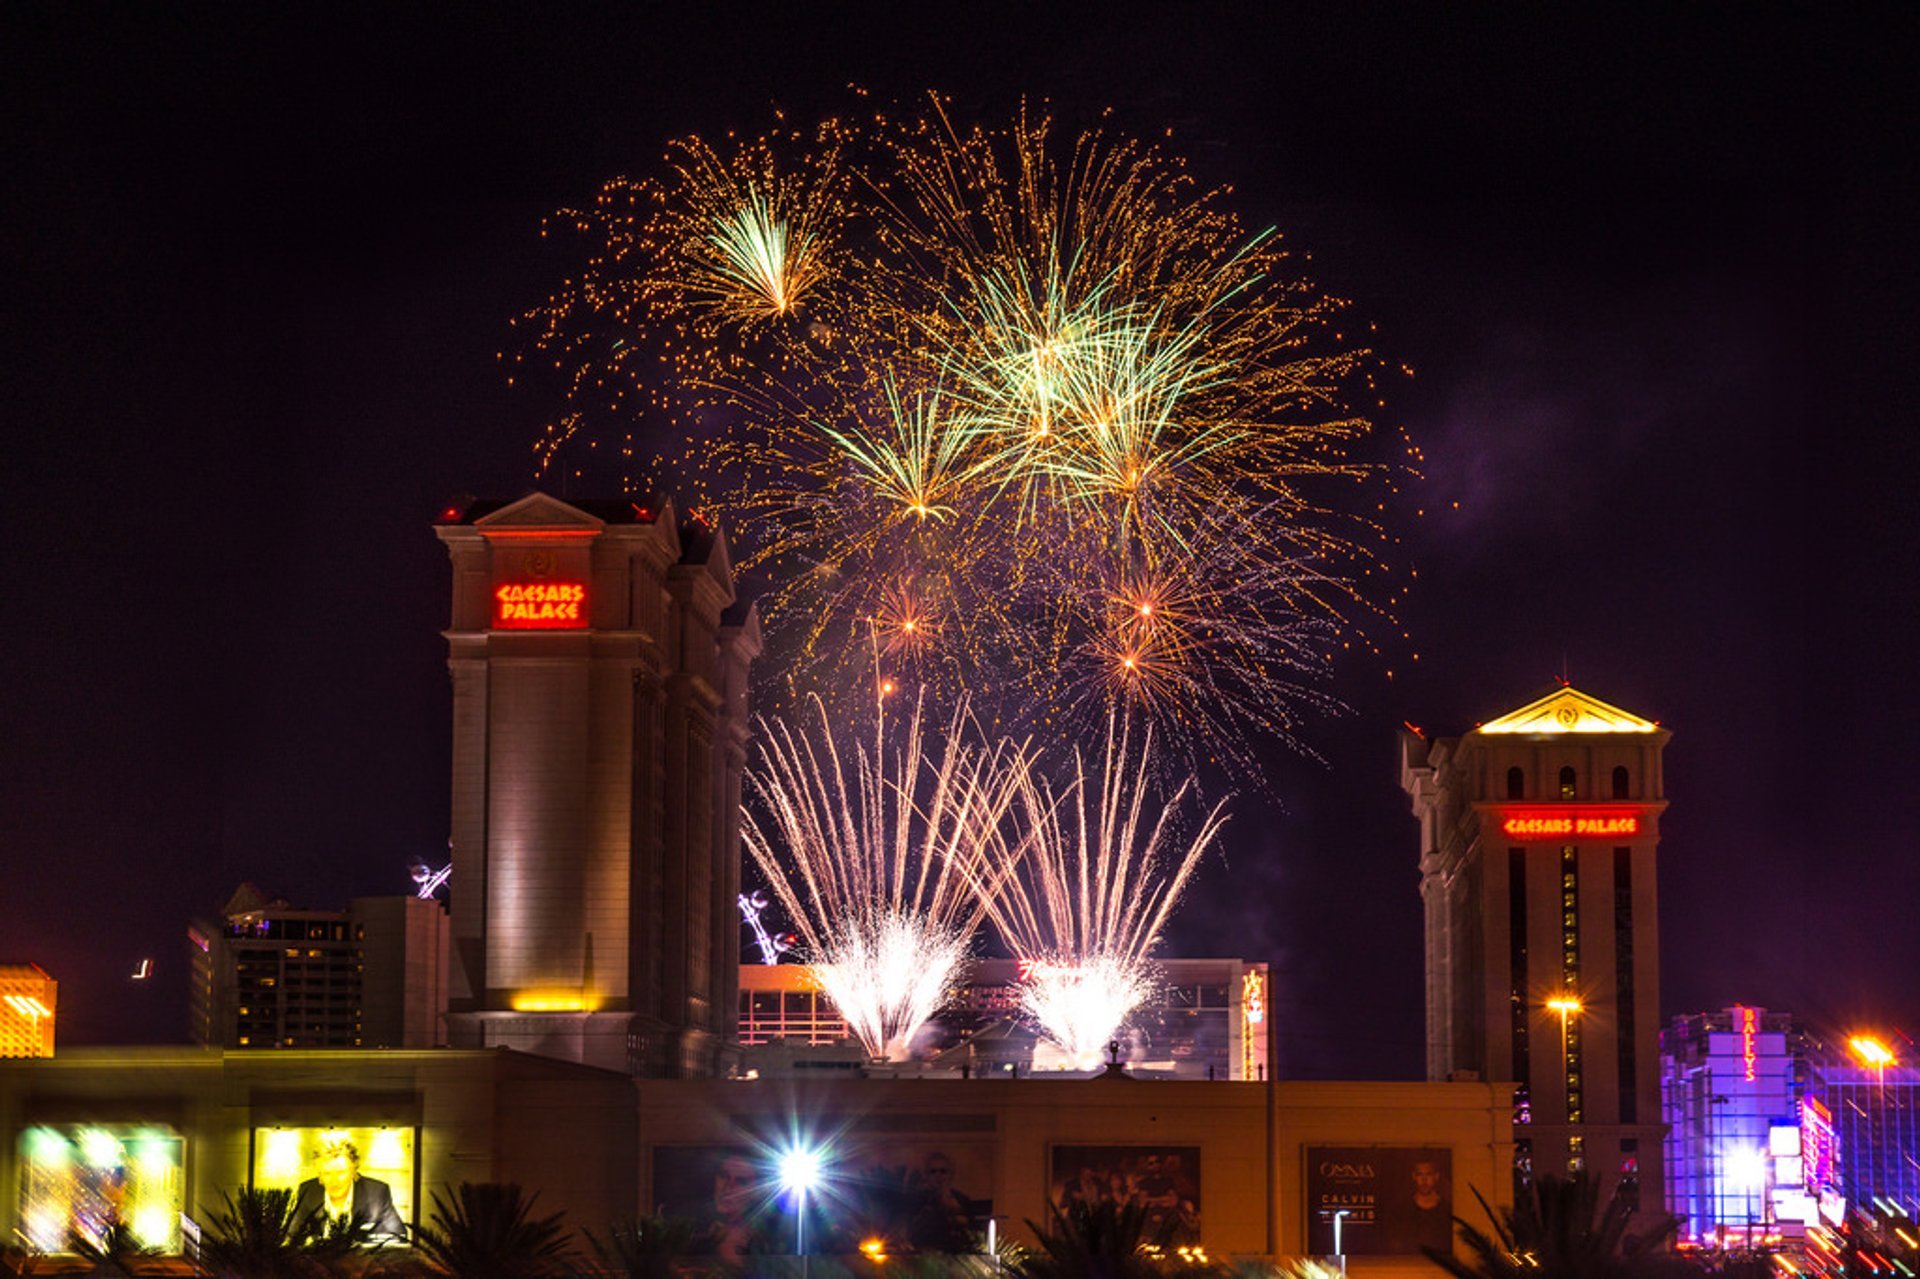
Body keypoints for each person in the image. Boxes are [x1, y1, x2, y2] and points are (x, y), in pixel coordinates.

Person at [290, 1139, 405, 1241]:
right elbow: (291, 1235)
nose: (334, 1180)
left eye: (341, 1172)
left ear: (354, 1173)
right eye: (327, 1173)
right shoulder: (308, 1192)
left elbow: (397, 1235)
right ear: (320, 1177)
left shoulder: (376, 1192)